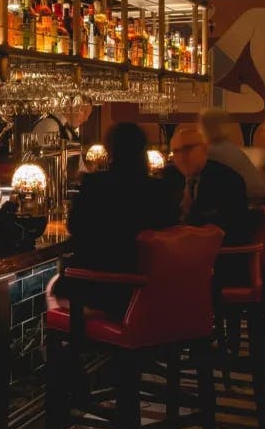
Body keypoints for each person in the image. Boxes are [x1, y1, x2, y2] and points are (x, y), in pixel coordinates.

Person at [56, 122, 178, 317]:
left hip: (102, 293)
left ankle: (71, 343)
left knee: (53, 289)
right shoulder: (160, 190)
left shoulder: (95, 185)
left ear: (111, 150)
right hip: (153, 294)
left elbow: (75, 226)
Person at [164, 124, 255, 245]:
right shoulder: (169, 178)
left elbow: (235, 232)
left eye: (188, 149)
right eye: (176, 151)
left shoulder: (228, 180)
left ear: (204, 149)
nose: (181, 157)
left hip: (218, 253)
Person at [198, 107, 265, 203]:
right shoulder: (229, 147)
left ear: (205, 128)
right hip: (257, 199)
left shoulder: (213, 152)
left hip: (247, 201)